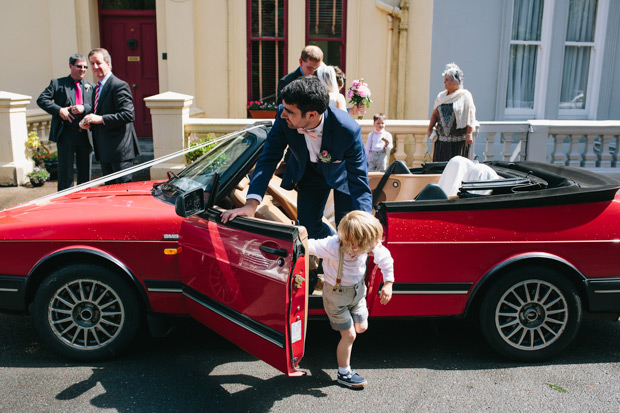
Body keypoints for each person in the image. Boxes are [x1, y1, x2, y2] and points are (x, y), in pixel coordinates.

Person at [221, 76, 372, 239]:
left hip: (343, 175)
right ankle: (333, 246)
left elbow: (358, 178)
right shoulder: (284, 115)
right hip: (309, 173)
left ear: (312, 115)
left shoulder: (348, 129)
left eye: (290, 111)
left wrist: (366, 222)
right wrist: (250, 205)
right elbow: (269, 156)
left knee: (351, 231)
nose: (283, 114)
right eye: (283, 108)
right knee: (309, 229)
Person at [308, 210, 394, 389]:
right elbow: (307, 244)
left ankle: (347, 328)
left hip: (357, 294)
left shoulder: (370, 245)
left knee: (362, 328)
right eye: (355, 247)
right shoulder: (332, 245)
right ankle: (344, 373)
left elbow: (386, 260)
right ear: (346, 239)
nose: (359, 252)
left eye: (365, 248)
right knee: (350, 335)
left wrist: (388, 284)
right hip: (336, 297)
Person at [80, 48, 140, 184]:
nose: (95, 67)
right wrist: (89, 122)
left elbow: (128, 114)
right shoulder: (97, 88)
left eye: (98, 63)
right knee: (111, 195)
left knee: (122, 194)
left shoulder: (119, 86)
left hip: (119, 152)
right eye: (92, 64)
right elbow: (100, 110)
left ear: (108, 63)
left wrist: (100, 119)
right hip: (104, 150)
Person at [37, 54, 94, 191]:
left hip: (85, 135)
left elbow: (96, 106)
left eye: (85, 67)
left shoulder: (91, 87)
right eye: (79, 66)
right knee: (66, 172)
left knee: (85, 171)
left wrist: (84, 108)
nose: (83, 69)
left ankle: (84, 198)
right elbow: (42, 100)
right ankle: (65, 199)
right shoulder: (57, 84)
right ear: (71, 66)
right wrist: (59, 110)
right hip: (66, 134)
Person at [427, 62, 477, 162]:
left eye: (447, 80)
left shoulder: (465, 95)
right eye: (444, 80)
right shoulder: (441, 96)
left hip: (458, 141)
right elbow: (435, 114)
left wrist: (469, 133)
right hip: (441, 141)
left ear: (455, 81)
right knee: (440, 169)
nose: (444, 82)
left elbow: (470, 115)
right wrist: (429, 128)